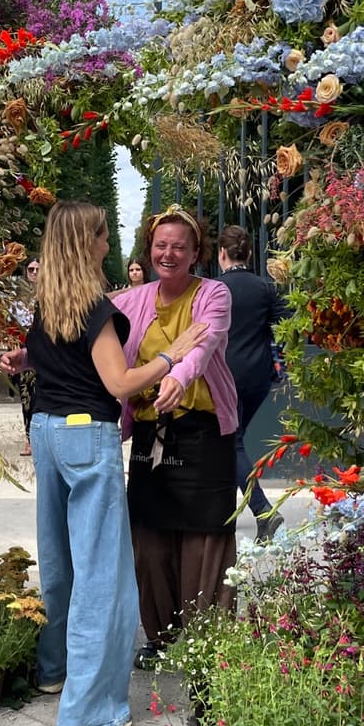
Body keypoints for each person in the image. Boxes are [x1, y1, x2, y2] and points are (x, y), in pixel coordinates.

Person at [0, 202, 206, 726]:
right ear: (83, 242)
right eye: (101, 236)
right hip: (85, 436)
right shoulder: (95, 310)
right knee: (103, 575)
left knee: (61, 559)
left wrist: (24, 361)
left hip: (45, 432)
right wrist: (173, 356)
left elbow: (55, 359)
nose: (108, 245)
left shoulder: (51, 302)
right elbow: (120, 383)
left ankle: (55, 670)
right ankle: (88, 712)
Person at [112, 207, 238, 669]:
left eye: (179, 246)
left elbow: (202, 345)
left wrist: (179, 377)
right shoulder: (131, 299)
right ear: (149, 250)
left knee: (203, 543)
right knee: (149, 543)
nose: (169, 253)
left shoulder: (215, 293)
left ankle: (208, 644)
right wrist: (32, 356)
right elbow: (83, 334)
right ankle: (161, 637)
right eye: (161, 245)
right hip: (150, 432)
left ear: (196, 253)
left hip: (202, 434)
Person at [217, 224, 287, 540]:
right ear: (248, 253)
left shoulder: (214, 288)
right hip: (258, 376)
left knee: (231, 442)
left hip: (223, 375)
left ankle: (262, 511)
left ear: (222, 254)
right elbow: (284, 324)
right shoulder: (264, 288)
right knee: (233, 440)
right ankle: (226, 512)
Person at [8, 259, 38, 455]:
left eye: (38, 269)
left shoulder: (53, 295)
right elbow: (9, 327)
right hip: (24, 352)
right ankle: (29, 439)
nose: (34, 272)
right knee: (26, 396)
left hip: (46, 354)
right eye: (31, 269)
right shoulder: (17, 300)